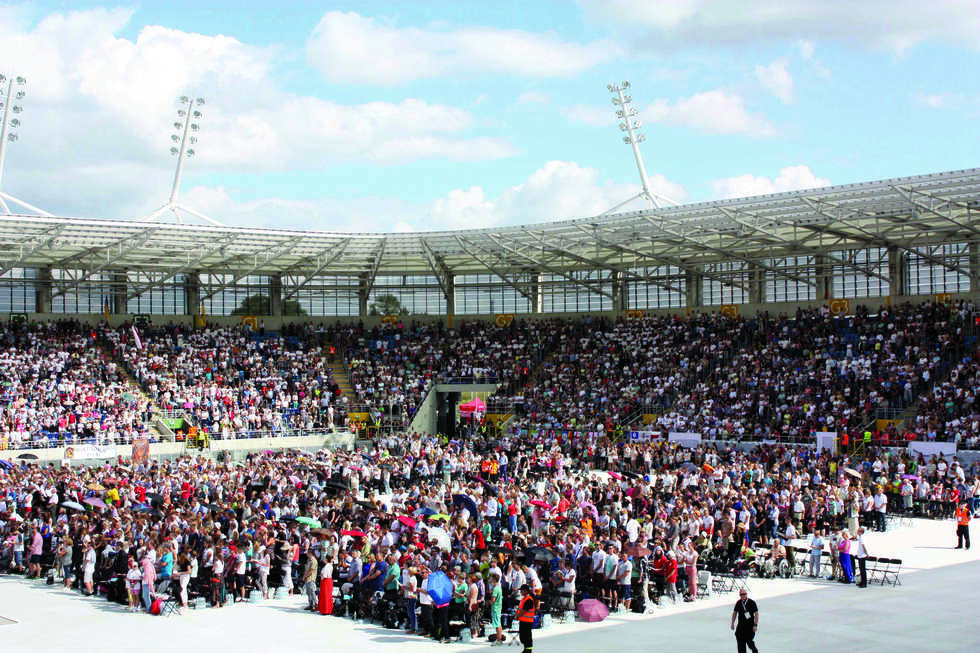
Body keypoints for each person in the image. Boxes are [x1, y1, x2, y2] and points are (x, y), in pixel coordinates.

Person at [730, 588, 759, 653]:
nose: (742, 596)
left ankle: (754, 650)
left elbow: (756, 614)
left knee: (749, 641)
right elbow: (735, 613)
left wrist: (755, 624)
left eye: (744, 594)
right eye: (741, 595)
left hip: (749, 626)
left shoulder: (752, 602)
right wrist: (732, 623)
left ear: (746, 594)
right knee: (740, 643)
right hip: (741, 626)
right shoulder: (738, 603)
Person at [515, 583, 537, 653]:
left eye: (522, 590)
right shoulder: (523, 599)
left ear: (526, 591)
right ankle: (525, 649)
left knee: (527, 636)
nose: (521, 592)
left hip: (528, 621)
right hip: (523, 620)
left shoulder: (529, 599)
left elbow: (525, 610)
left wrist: (517, 615)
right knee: (523, 636)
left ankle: (528, 650)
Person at [488, 570, 505, 646]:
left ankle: (498, 640)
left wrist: (488, 603)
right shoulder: (498, 587)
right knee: (499, 624)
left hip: (495, 608)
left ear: (494, 579)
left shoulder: (495, 589)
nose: (490, 580)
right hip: (498, 607)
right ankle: (499, 639)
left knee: (497, 624)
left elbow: (493, 599)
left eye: (491, 579)